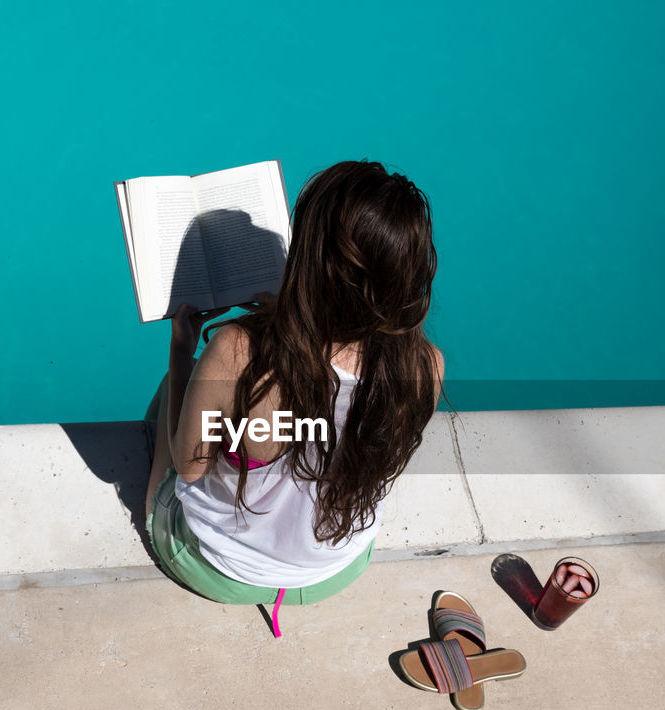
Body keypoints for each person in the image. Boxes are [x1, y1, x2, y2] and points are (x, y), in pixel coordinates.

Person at [143, 160, 444, 632]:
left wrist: (182, 351)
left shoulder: (238, 352)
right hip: (334, 569)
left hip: (223, 569)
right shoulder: (425, 366)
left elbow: (190, 467)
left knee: (171, 400)